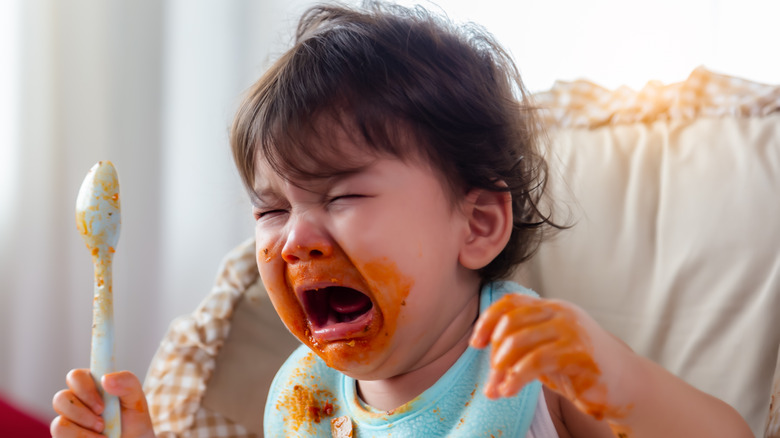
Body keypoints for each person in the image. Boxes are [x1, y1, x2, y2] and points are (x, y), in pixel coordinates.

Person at [51, 2, 754, 437]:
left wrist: (618, 381)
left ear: (476, 226)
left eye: (341, 197)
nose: (294, 239)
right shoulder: (303, 403)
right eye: (271, 208)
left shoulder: (534, 366)